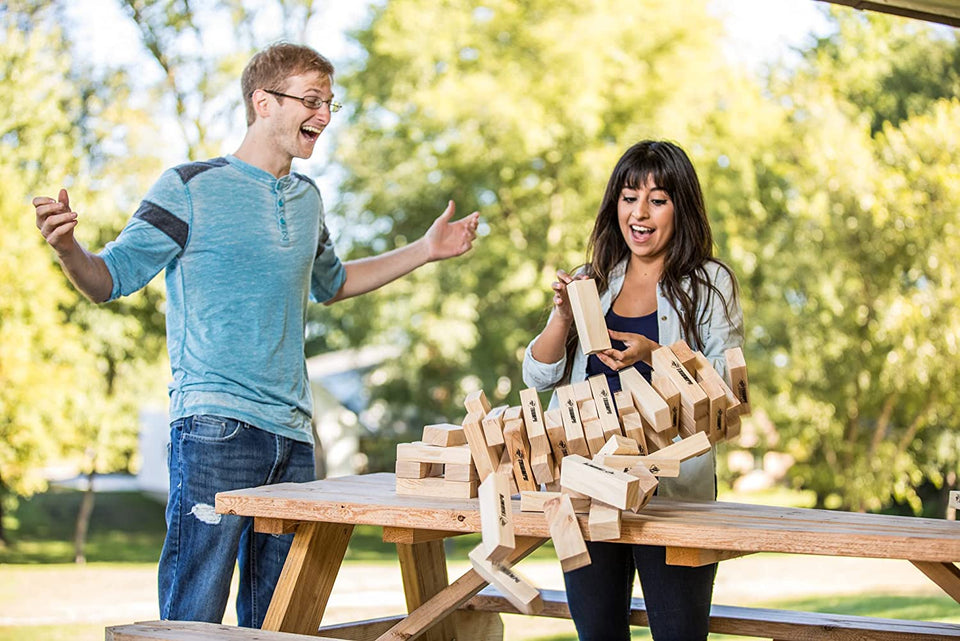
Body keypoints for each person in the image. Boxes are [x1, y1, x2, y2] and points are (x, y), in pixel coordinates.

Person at [33, 43, 480, 628]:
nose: (323, 115)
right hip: (216, 427)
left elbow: (335, 282)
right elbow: (109, 278)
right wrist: (69, 249)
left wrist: (425, 251)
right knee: (192, 620)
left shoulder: (309, 200)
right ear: (263, 102)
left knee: (281, 621)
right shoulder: (188, 187)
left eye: (329, 104)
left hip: (293, 437)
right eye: (311, 101)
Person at [522, 140, 743, 641]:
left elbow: (728, 396)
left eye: (657, 199)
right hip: (587, 484)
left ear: (680, 207)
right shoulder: (593, 280)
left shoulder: (710, 284)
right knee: (597, 635)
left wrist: (655, 355)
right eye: (628, 197)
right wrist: (562, 314)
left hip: (673, 491)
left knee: (679, 635)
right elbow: (537, 377)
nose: (639, 213)